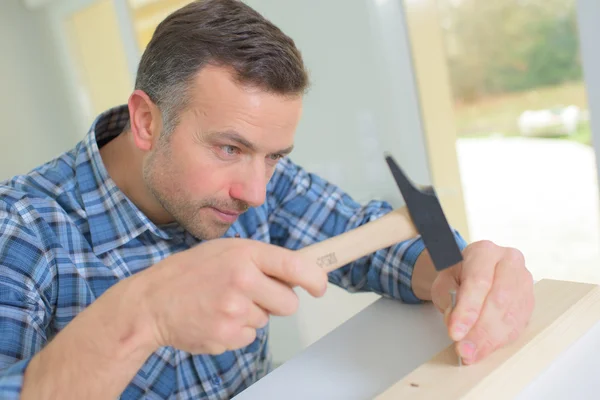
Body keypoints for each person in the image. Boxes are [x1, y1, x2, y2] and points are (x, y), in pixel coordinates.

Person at [0, 0, 534, 399]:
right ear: (146, 121)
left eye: (274, 156)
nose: (254, 192)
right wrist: (145, 312)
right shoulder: (22, 231)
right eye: (228, 148)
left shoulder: (259, 180)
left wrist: (454, 274)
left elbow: (365, 239)